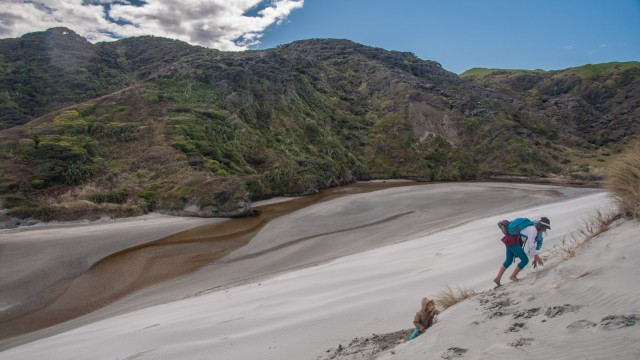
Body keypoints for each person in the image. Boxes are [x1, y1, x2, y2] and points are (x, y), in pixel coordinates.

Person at [493, 216, 551, 287]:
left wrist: (535, 257)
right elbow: (531, 245)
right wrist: (537, 257)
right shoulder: (533, 230)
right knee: (525, 260)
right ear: (540, 225)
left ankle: (497, 278)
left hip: (509, 238)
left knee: (508, 261)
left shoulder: (531, 226)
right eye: (545, 228)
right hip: (512, 241)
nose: (544, 230)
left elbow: (531, 245)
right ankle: (513, 276)